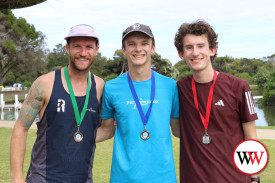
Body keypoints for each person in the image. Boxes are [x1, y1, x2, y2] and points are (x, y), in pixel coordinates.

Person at [10, 24, 104, 183]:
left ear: (96, 49)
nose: (83, 53)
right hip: (43, 179)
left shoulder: (100, 86)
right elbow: (21, 128)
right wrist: (17, 179)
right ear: (67, 48)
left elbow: (101, 128)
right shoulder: (45, 83)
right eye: (77, 47)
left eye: (89, 47)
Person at [173, 20, 259, 183]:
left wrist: (255, 179)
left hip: (235, 179)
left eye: (200, 46)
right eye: (189, 47)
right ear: (181, 54)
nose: (195, 52)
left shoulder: (239, 86)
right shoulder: (179, 88)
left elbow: (251, 137)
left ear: (212, 50)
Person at [96, 23, 179, 183]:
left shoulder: (170, 86)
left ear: (153, 48)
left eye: (144, 43)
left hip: (163, 178)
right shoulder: (111, 88)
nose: (138, 49)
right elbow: (106, 130)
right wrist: (70, 138)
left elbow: (177, 130)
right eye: (131, 44)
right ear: (124, 50)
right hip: (123, 178)